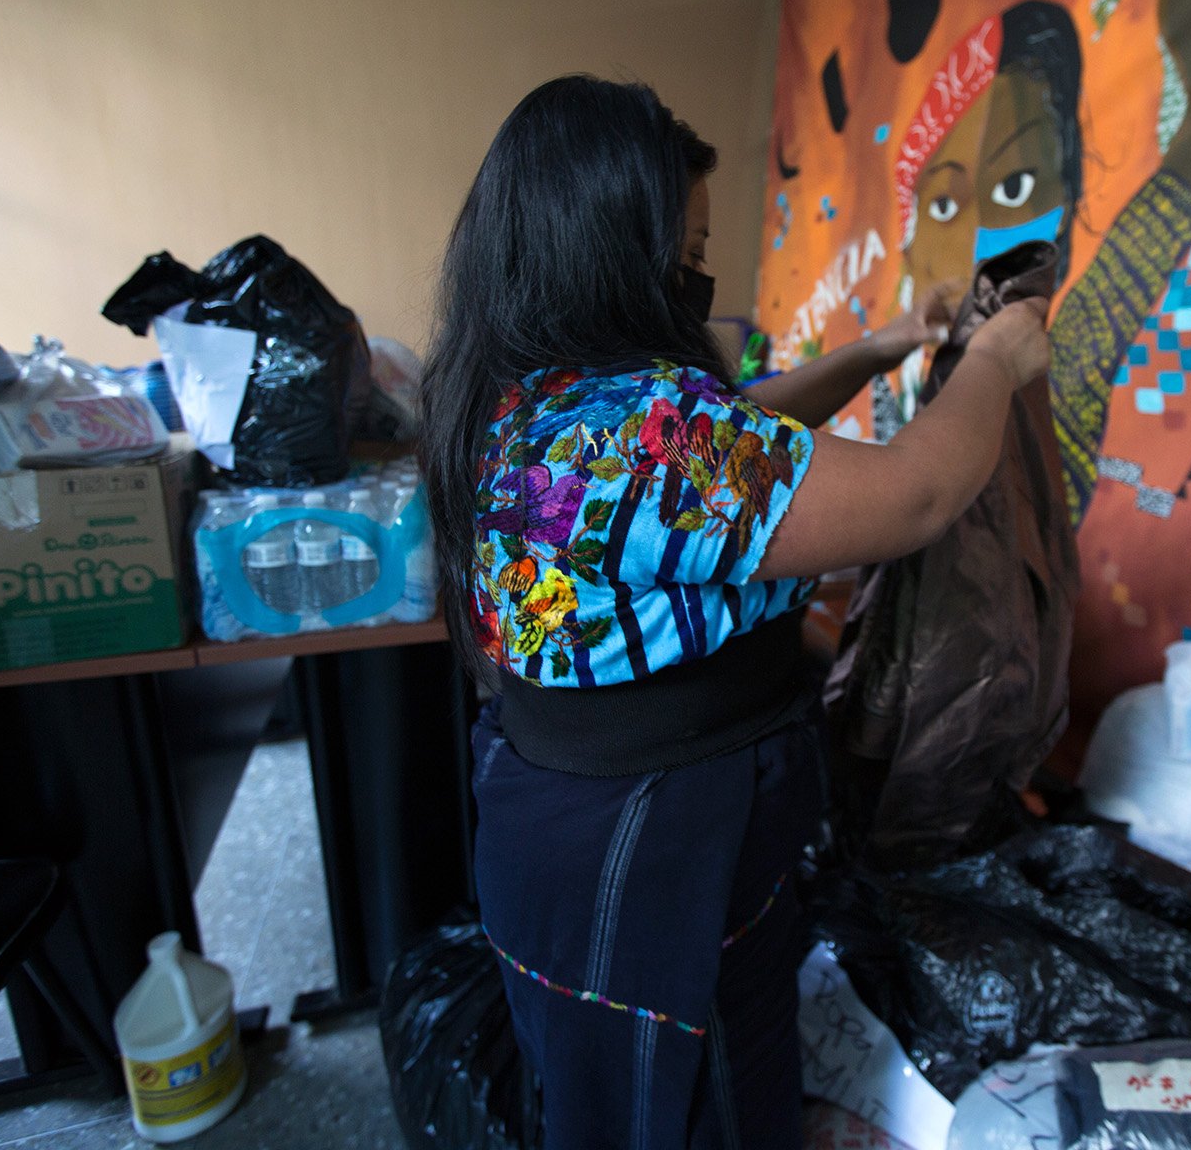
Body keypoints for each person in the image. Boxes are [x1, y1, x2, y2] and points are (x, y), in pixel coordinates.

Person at [420, 75, 1051, 1150]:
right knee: (684, 1109)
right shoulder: (639, 430)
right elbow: (917, 493)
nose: (697, 273)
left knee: (628, 1100)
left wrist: (880, 346)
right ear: (611, 249)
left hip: (568, 827)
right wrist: (990, 362)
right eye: (684, 247)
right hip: (646, 853)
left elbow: (733, 451)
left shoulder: (531, 394)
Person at [886, 0, 1191, 523]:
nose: (976, 237)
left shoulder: (1068, 348)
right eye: (944, 205)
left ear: (1069, 211)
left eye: (1017, 188)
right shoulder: (922, 368)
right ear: (909, 244)